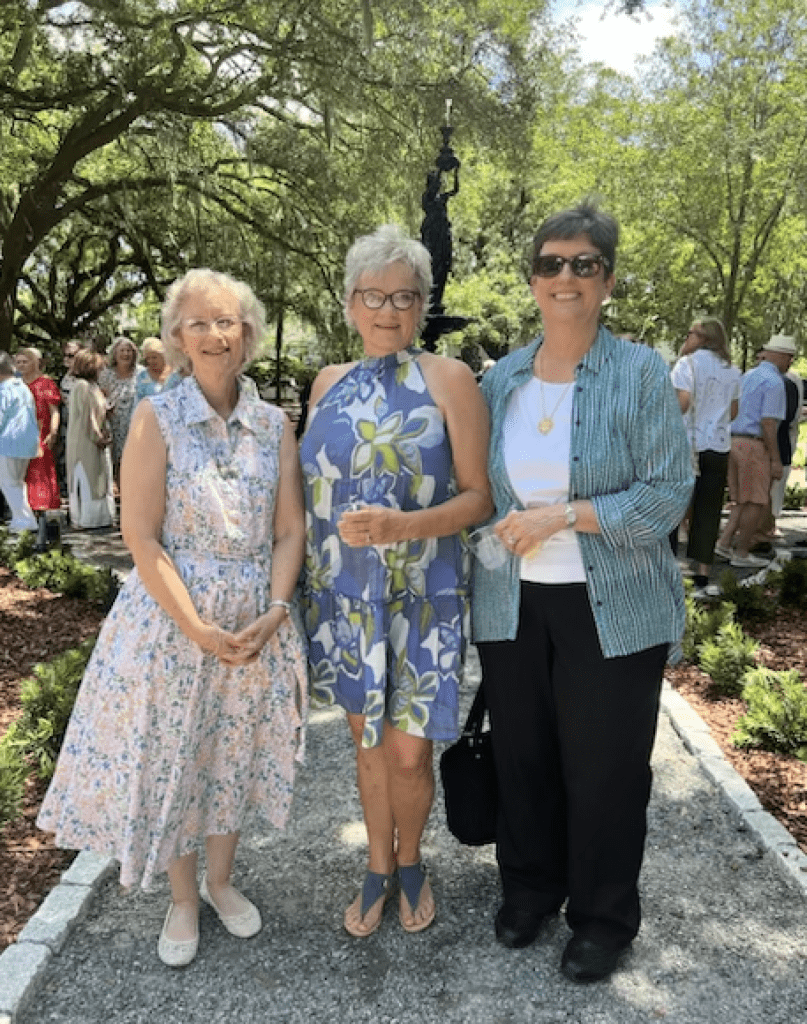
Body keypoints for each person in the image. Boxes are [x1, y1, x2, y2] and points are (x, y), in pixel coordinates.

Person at [38, 268, 308, 968]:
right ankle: (183, 896)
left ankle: (221, 882)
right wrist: (196, 629)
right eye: (199, 323)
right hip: (173, 623)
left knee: (230, 757)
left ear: (247, 334)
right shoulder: (158, 417)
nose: (216, 335)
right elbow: (142, 536)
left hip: (254, 623)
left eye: (228, 322)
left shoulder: (275, 424)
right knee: (178, 758)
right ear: (177, 337)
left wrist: (276, 610)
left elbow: (288, 531)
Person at [472, 203, 692, 983]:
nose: (564, 277)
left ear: (605, 280)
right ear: (532, 279)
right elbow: (481, 491)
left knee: (602, 768)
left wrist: (566, 515)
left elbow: (669, 493)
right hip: (511, 605)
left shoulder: (637, 372)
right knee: (523, 756)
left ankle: (602, 916)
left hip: (614, 606)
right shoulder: (500, 378)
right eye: (550, 263)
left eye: (582, 264)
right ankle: (529, 887)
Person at [299, 224, 492, 938]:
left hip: (424, 596)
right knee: (366, 745)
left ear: (421, 305)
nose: (387, 310)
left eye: (403, 297)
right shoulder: (325, 384)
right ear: (349, 302)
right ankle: (376, 865)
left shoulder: (449, 379)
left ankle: (413, 860)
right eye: (373, 296)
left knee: (411, 752)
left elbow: (479, 497)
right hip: (345, 599)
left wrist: (403, 528)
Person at [670, 318, 741, 586]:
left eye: (691, 333)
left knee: (675, 506)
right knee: (709, 510)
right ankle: (702, 571)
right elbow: (734, 411)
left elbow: (683, 404)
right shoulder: (732, 369)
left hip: (689, 444)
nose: (687, 336)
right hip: (718, 445)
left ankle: (669, 565)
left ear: (703, 337)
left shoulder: (686, 364)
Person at [715, 334, 792, 567]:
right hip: (753, 444)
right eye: (789, 357)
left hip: (734, 440)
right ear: (780, 356)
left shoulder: (747, 376)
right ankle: (742, 551)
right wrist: (775, 459)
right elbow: (768, 422)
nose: (790, 363)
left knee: (740, 499)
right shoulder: (774, 382)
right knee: (756, 501)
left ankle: (725, 542)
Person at [14, 347, 62, 551]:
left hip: (39, 439)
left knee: (39, 482)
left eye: (25, 362)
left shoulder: (45, 384)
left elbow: (54, 411)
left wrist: (53, 432)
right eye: (18, 362)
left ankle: (42, 536)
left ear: (34, 362)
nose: (20, 366)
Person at [66, 349, 115, 530]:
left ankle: (100, 518)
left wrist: (107, 412)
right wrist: (98, 437)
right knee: (89, 477)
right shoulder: (82, 386)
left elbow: (95, 413)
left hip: (95, 438)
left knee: (99, 478)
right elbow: (87, 418)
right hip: (85, 441)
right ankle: (87, 519)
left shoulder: (93, 387)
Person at [0, 351, 39, 532]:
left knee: (8, 483)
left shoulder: (3, 391)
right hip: (27, 442)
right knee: (17, 482)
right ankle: (22, 518)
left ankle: (24, 520)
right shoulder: (23, 387)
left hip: (8, 442)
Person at [99, 336, 139, 481]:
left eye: (129, 351)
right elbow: (100, 397)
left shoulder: (140, 373)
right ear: (115, 354)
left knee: (132, 460)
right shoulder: (106, 374)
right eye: (122, 350)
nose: (126, 354)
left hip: (134, 423)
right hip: (113, 422)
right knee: (114, 459)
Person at [134, 336, 181, 403]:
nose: (151, 361)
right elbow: (138, 402)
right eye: (148, 358)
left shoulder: (176, 374)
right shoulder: (142, 376)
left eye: (154, 357)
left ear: (163, 356)